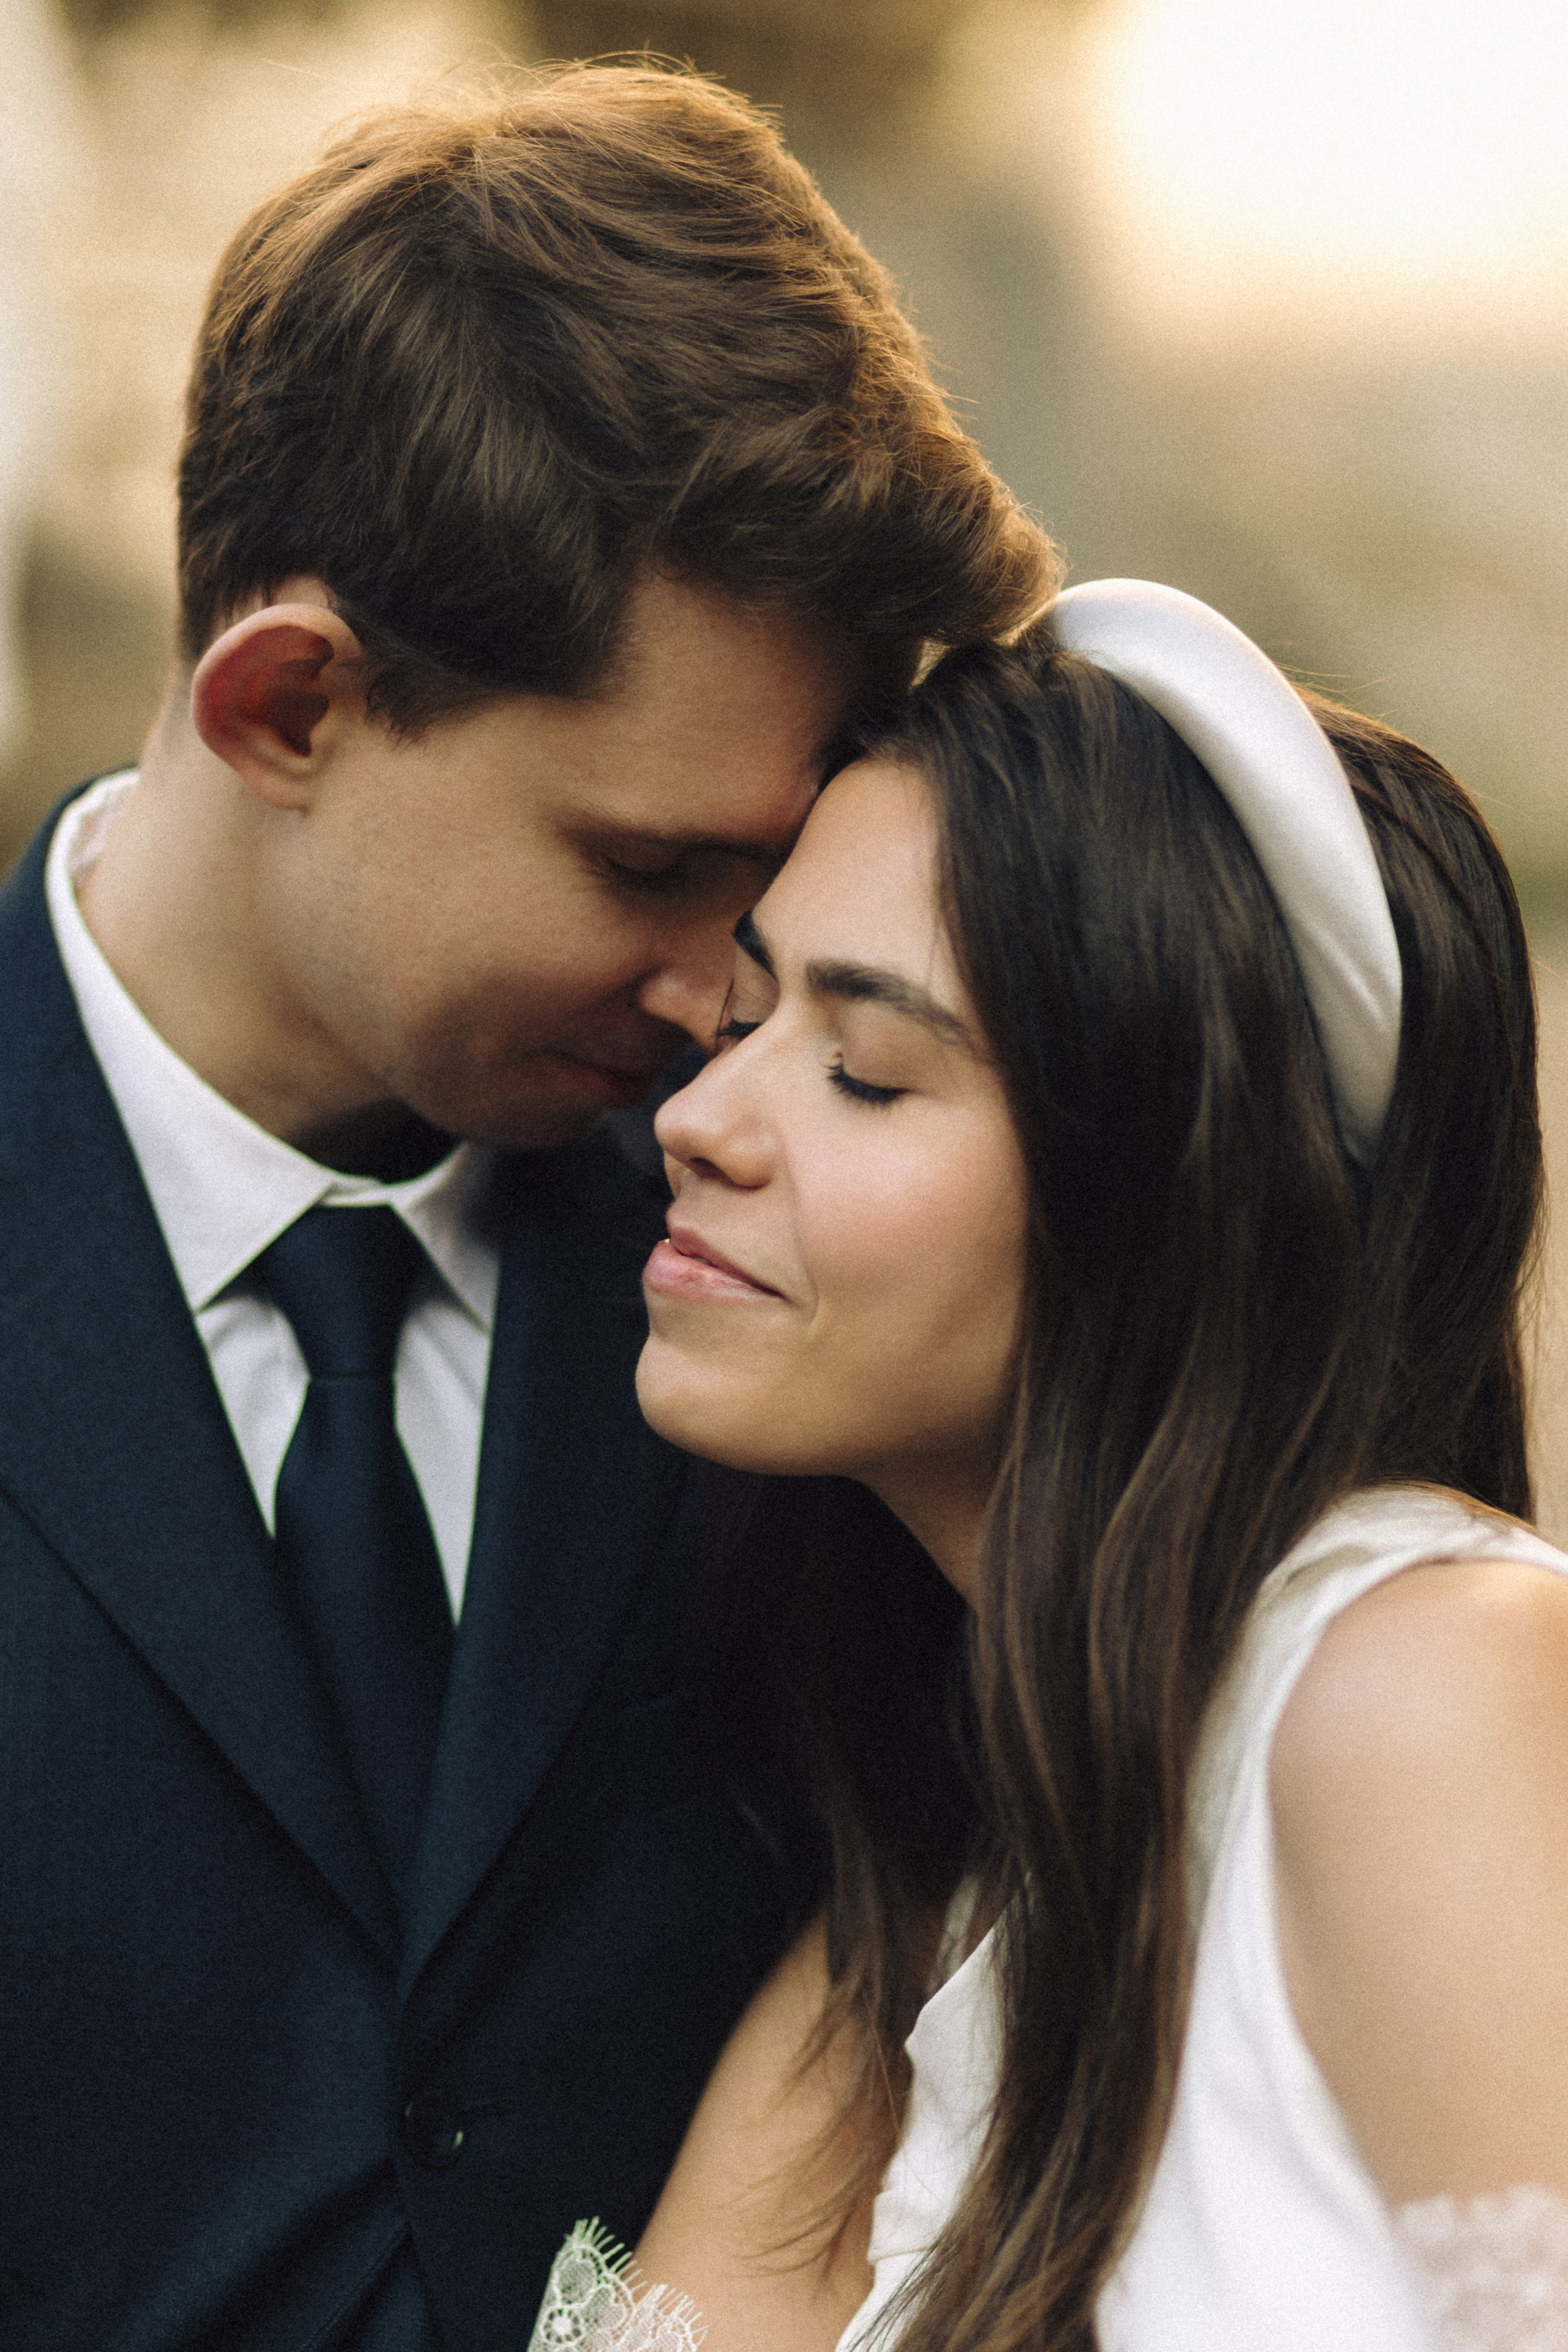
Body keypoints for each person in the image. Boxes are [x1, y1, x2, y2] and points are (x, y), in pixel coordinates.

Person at [0, 61, 1054, 2352]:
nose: (721, 1004)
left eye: (769, 880)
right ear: (289, 703)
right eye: (653, 867)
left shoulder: (824, 1280)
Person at [537, 580, 1567, 2352]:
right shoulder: (938, 1900)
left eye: (864, 1069)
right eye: (744, 1023)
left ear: (1170, 1200)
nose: (698, 1123)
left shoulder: (1424, 1685)